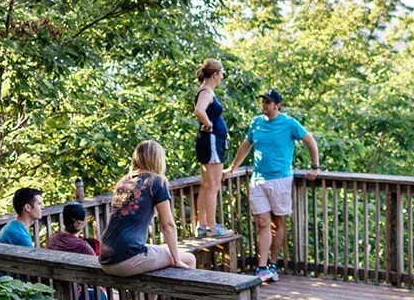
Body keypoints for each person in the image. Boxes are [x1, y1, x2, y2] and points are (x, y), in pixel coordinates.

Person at [227, 89, 319, 283]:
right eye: (263, 102)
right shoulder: (256, 122)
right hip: (258, 179)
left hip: (281, 180)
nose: (264, 105)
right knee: (262, 223)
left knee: (278, 223)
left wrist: (314, 167)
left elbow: (310, 142)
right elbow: (246, 145)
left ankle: (273, 264)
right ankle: (261, 267)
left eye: (268, 102)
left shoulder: (289, 123)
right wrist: (232, 168)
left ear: (277, 105)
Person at [99, 141, 197, 275]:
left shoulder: (124, 181)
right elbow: (167, 225)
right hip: (127, 259)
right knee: (190, 259)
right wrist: (177, 260)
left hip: (105, 257)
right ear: (157, 160)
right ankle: (188, 296)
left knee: (158, 253)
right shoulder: (157, 181)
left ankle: (154, 297)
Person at [192, 58, 229, 238]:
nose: (222, 77)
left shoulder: (204, 90)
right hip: (212, 141)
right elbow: (199, 110)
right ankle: (212, 227)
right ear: (215, 74)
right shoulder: (206, 92)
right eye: (221, 73)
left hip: (208, 141)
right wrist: (208, 124)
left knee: (206, 185)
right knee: (213, 185)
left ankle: (202, 225)